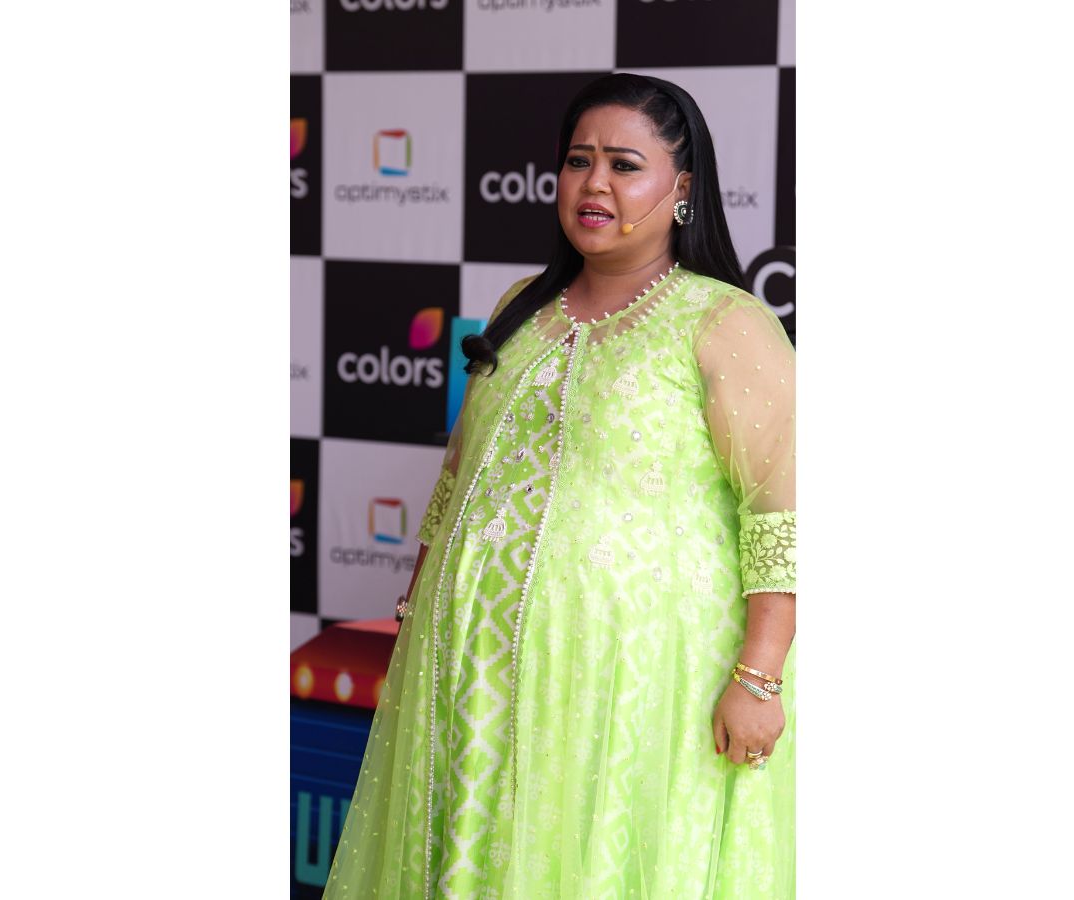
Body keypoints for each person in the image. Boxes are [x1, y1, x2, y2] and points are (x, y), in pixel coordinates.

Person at [322, 72, 796, 899]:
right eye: (579, 161)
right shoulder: (520, 307)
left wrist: (758, 677)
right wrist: (418, 614)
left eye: (624, 165)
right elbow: (458, 481)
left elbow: (781, 514)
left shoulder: (723, 323)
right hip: (472, 671)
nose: (594, 184)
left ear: (683, 188)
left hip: (632, 682)